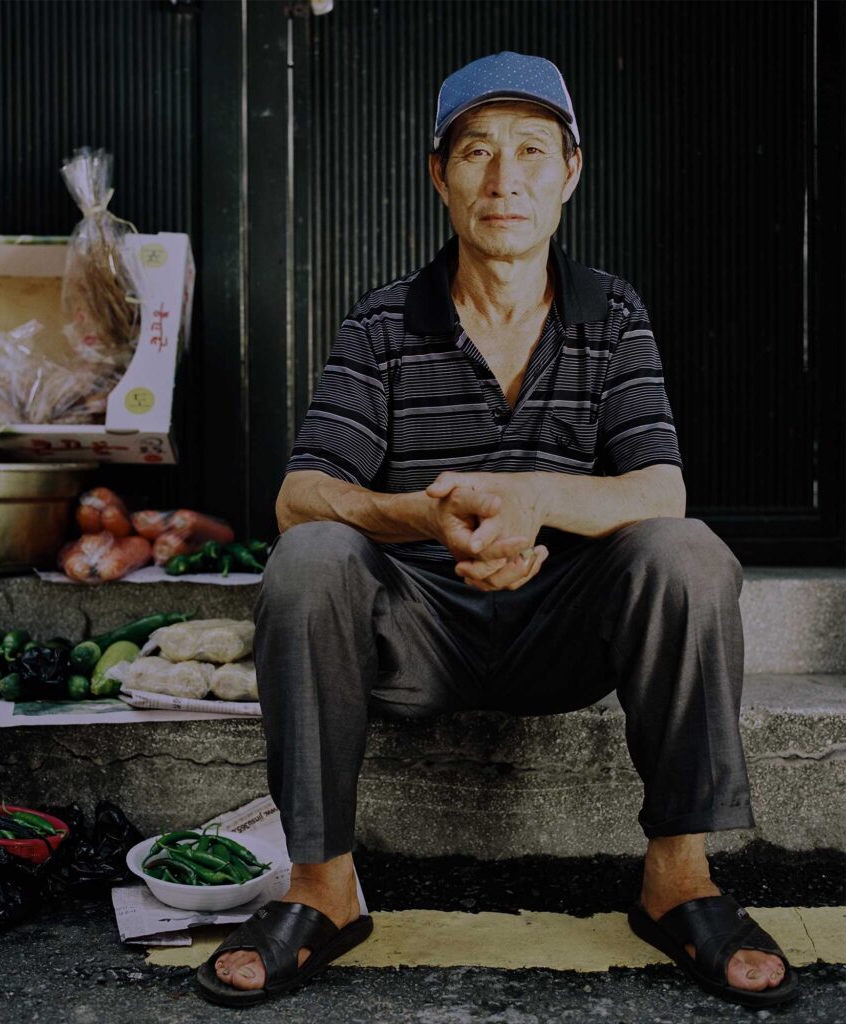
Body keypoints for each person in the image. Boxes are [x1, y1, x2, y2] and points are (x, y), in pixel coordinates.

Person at [196, 51, 797, 1010]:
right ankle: (322, 888)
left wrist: (531, 498)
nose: (504, 178)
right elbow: (300, 495)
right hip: (417, 638)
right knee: (311, 557)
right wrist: (417, 513)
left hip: (566, 631)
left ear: (571, 171)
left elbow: (660, 489)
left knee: (685, 555)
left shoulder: (612, 314)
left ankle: (680, 879)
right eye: (476, 152)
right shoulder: (384, 323)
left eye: (530, 151)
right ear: (440, 175)